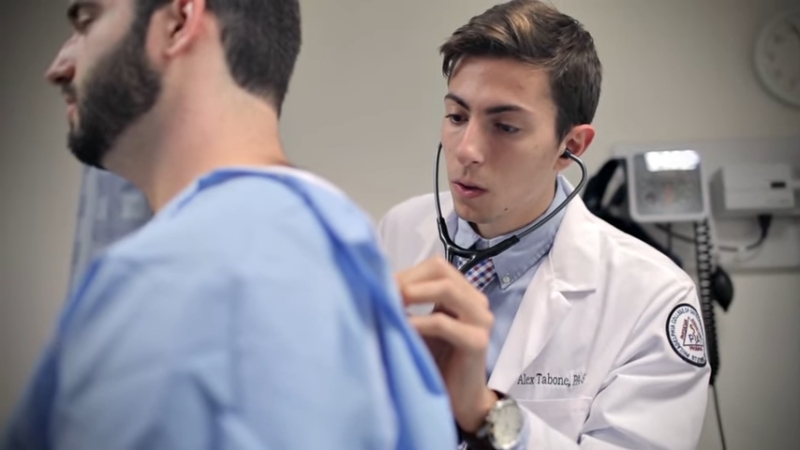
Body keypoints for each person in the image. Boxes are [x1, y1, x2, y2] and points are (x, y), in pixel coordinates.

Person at [1, 0, 458, 449]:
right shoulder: (340, 242)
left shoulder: (181, 276)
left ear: (179, 21)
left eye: (86, 20)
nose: (59, 66)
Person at [378, 0, 711, 448]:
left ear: (570, 145)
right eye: (457, 117)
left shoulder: (651, 298)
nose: (467, 150)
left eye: (506, 127)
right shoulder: (399, 230)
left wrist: (485, 413)